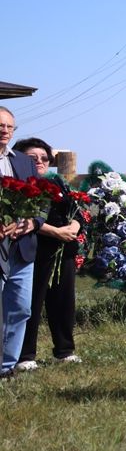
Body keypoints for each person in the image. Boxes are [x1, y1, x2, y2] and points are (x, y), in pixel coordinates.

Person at [14, 137, 82, 366]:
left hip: (63, 252)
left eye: (44, 158)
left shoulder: (59, 184)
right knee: (30, 304)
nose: (40, 162)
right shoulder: (18, 185)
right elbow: (25, 219)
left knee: (63, 302)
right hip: (34, 251)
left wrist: (74, 226)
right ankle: (25, 355)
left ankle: (65, 350)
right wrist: (55, 232)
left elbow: (77, 210)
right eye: (33, 158)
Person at [0, 106, 43, 379]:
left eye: (8, 127)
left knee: (20, 308)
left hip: (22, 249)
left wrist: (33, 222)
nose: (4, 130)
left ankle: (5, 368)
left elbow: (42, 202)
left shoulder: (24, 162)